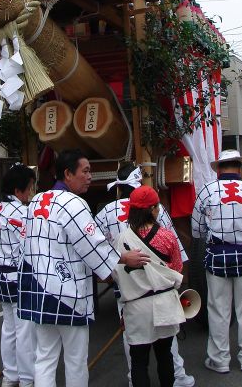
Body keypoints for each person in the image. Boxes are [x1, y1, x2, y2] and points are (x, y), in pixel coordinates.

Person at [19, 149, 150, 387]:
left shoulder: (36, 199)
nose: (90, 176)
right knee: (75, 359)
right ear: (68, 174)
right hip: (67, 292)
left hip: (38, 288)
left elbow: (25, 244)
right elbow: (92, 243)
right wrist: (123, 258)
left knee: (45, 357)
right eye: (86, 171)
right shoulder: (74, 203)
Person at [95, 162, 194, 387]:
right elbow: (176, 265)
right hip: (163, 296)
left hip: (131, 296)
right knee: (166, 351)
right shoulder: (165, 234)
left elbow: (100, 250)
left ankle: (133, 380)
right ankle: (177, 378)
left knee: (136, 353)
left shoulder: (108, 217)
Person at [191, 149, 242, 373]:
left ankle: (219, 360)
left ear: (219, 169)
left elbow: (197, 230)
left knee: (218, 310)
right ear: (240, 169)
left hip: (216, 257)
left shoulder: (206, 191)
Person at [112, 186, 186, 387]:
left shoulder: (120, 241)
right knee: (165, 356)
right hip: (164, 303)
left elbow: (115, 274)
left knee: (139, 361)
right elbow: (177, 268)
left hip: (136, 307)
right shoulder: (167, 237)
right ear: (154, 209)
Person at [0, 163, 37, 387]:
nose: (30, 193)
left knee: (8, 328)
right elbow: (28, 246)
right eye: (29, 188)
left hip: (1, 275)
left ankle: (10, 375)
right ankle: (28, 379)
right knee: (25, 330)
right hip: (18, 276)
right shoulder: (21, 212)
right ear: (18, 190)